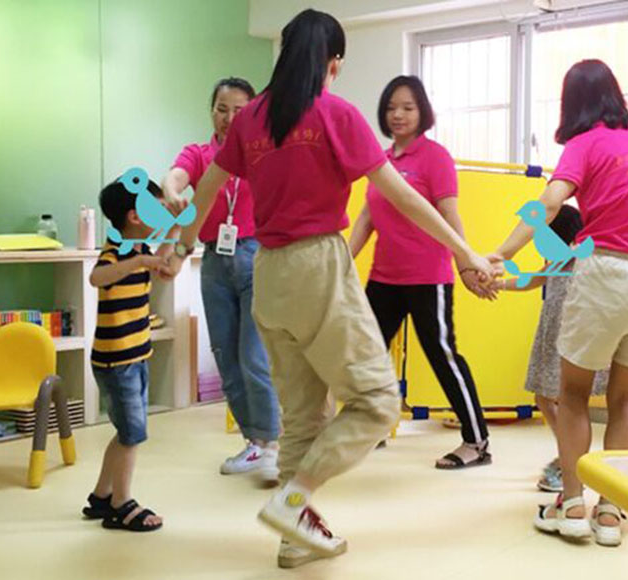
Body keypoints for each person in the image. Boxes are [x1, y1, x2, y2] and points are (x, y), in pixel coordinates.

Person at [164, 9, 494, 566]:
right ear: (333, 64)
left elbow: (206, 189)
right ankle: (294, 500)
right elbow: (403, 197)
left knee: (302, 417)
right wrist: (466, 251)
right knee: (377, 403)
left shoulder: (250, 120)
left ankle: (296, 541)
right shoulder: (334, 113)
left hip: (268, 270)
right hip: (317, 265)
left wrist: (178, 250)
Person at [490, 59, 628, 547]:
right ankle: (610, 512)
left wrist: (502, 253)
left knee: (571, 397)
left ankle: (572, 504)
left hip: (608, 274)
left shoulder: (584, 144)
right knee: (625, 400)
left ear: (571, 104)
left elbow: (550, 203)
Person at [349, 75, 491, 469]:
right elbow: (366, 218)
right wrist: (340, 262)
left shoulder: (435, 157)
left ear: (422, 111)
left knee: (443, 356)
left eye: (407, 107)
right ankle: (374, 427)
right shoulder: (381, 160)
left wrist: (466, 263)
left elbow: (449, 216)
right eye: (391, 107)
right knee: (366, 354)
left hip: (428, 277)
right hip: (384, 278)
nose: (398, 114)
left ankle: (477, 441)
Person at [163, 77, 280, 483]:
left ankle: (272, 445)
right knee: (226, 357)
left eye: (239, 110)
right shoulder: (200, 154)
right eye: (222, 109)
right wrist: (171, 191)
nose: (229, 118)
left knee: (254, 355)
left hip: (258, 255)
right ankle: (254, 442)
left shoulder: (265, 151)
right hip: (214, 259)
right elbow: (176, 176)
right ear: (211, 111)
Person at [494, 204, 609, 492]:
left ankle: (570, 461)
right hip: (555, 338)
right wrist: (499, 285)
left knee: (561, 402)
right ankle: (569, 455)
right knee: (545, 399)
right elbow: (531, 280)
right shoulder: (561, 260)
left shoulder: (582, 259)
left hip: (570, 340)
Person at [81, 176, 172, 532]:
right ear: (135, 216)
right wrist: (139, 263)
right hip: (117, 362)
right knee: (131, 435)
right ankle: (122, 505)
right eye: (158, 210)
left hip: (135, 357)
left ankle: (102, 496)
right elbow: (97, 278)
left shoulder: (141, 249)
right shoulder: (119, 251)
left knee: (125, 432)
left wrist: (179, 230)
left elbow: (164, 265)